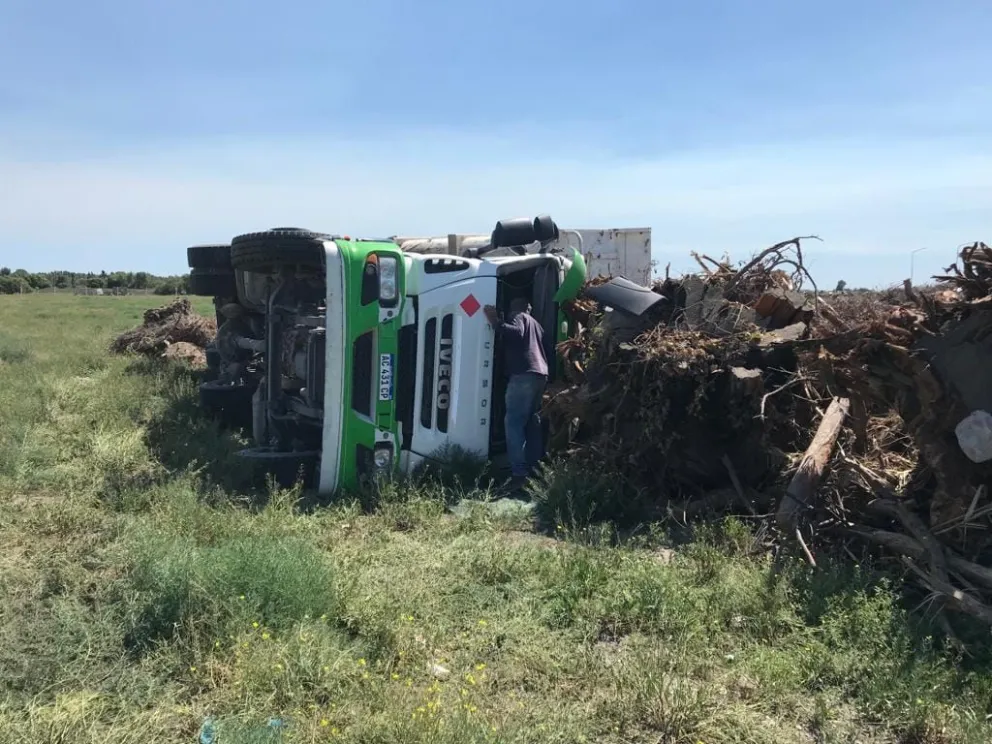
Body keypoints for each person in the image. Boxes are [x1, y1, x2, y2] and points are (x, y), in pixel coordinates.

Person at [483, 297, 548, 490]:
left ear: (515, 309)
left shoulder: (519, 317)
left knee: (513, 422)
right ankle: (535, 470)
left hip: (523, 374)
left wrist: (495, 321)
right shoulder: (537, 325)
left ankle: (519, 474)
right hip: (540, 375)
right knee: (532, 423)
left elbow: (516, 333)